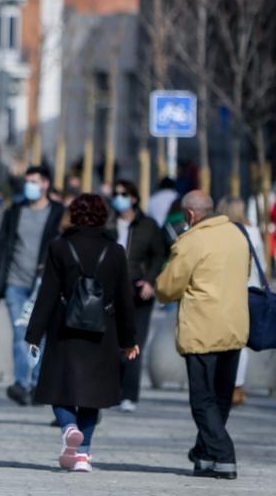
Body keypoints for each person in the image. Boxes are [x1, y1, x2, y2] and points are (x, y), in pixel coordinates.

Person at [25, 194, 139, 472]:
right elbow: (125, 297)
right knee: (94, 393)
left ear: (74, 216)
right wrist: (129, 340)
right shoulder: (115, 251)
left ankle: (68, 427)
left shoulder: (60, 247)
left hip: (65, 327)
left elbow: (48, 293)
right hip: (103, 330)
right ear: (104, 217)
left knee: (59, 386)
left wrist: (34, 333)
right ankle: (83, 455)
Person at [156, 190, 249, 480]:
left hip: (202, 329)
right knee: (221, 396)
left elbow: (169, 286)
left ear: (190, 214)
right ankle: (206, 455)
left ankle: (224, 454)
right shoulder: (237, 235)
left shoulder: (192, 240)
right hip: (233, 326)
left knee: (202, 399)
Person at [0, 166, 65, 406]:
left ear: (45, 184)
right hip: (15, 283)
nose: (29, 185)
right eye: (27, 181)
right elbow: (1, 249)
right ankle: (21, 384)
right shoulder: (15, 212)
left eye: (34, 181)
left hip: (45, 284)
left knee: (40, 335)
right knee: (21, 333)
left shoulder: (58, 213)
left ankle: (38, 384)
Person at [108, 180, 167, 412]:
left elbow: (159, 254)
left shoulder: (148, 225)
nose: (118, 198)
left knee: (134, 342)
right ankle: (112, 390)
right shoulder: (108, 223)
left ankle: (129, 394)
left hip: (137, 289)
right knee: (112, 342)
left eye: (123, 194)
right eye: (115, 193)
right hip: (111, 289)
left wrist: (150, 281)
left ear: (133, 197)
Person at [219, 196, 265, 406]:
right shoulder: (253, 232)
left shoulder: (219, 231)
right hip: (249, 290)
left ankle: (222, 384)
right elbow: (261, 263)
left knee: (221, 338)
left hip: (222, 290)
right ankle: (236, 387)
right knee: (242, 341)